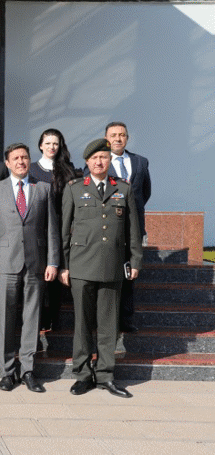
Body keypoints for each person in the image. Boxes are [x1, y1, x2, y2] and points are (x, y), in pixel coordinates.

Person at [60, 139, 143, 398]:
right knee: (82, 324)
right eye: (95, 158)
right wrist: (63, 266)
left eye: (104, 158)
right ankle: (83, 374)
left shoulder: (123, 189)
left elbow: (133, 230)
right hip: (81, 266)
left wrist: (135, 261)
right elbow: (64, 232)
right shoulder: (74, 188)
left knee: (108, 325)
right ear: (87, 162)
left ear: (110, 161)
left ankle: (106, 375)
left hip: (111, 266)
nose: (99, 162)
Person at [0, 143, 59, 393]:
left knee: (31, 319)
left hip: (36, 264)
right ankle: (6, 372)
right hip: (5, 265)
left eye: (24, 157)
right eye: (15, 158)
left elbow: (51, 229)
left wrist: (52, 261)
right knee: (6, 318)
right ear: (7, 163)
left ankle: (27, 369)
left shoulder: (43, 189)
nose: (21, 162)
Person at [29, 129, 80, 331]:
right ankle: (39, 318)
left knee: (58, 271)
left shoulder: (68, 169)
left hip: (60, 225)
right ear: (41, 145)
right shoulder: (31, 169)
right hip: (37, 227)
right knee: (41, 271)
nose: (52, 147)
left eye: (55, 144)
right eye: (48, 143)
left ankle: (54, 319)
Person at [105, 122, 151, 334]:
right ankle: (108, 320)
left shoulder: (140, 162)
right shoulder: (99, 161)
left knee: (130, 275)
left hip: (134, 227)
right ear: (107, 139)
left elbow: (145, 192)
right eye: (113, 135)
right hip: (108, 228)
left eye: (122, 135)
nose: (118, 138)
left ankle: (126, 318)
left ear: (127, 138)